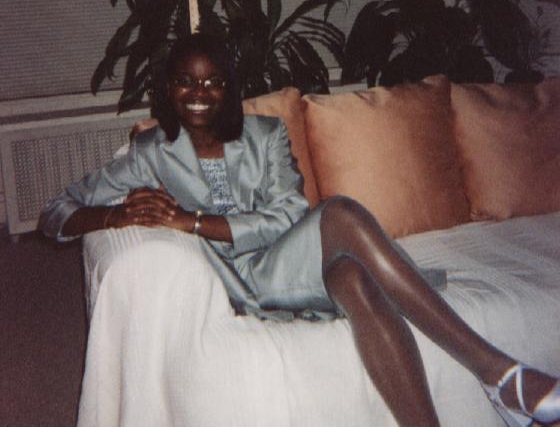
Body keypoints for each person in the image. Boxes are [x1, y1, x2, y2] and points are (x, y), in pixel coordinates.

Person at [40, 33, 560, 427]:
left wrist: (192, 221)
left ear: (230, 89)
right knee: (341, 212)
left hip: (288, 260)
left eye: (213, 82)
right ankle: (497, 372)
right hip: (243, 285)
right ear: (168, 89)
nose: (199, 93)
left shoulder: (265, 135)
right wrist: (116, 216)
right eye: (185, 81)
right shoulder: (152, 152)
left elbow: (288, 215)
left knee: (353, 277)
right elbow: (57, 213)